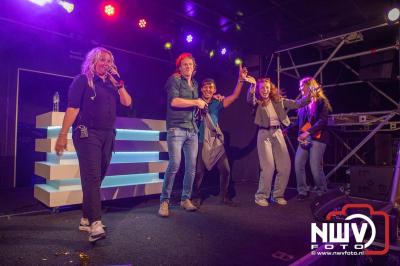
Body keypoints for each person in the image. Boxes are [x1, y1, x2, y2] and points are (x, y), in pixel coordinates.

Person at [55, 47, 132, 242]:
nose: (106, 64)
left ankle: (85, 218)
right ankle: (95, 223)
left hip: (107, 135)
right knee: (92, 177)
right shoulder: (82, 80)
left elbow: (127, 102)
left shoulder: (111, 84)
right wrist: (63, 134)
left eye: (109, 61)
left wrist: (120, 83)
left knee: (97, 177)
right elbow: (72, 108)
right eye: (102, 60)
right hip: (86, 133)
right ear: (93, 61)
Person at [158, 52, 207, 217]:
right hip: (176, 128)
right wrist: (196, 102)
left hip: (192, 130)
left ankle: (185, 199)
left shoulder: (194, 83)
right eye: (184, 64)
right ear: (179, 67)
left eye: (190, 64)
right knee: (175, 164)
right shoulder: (175, 80)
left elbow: (197, 104)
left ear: (194, 68)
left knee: (191, 168)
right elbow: (174, 101)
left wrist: (201, 104)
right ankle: (164, 201)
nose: (188, 67)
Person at [247, 78, 310, 207]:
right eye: (262, 88)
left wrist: (310, 95)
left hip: (278, 133)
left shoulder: (278, 100)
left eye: (267, 87)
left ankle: (277, 195)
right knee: (268, 167)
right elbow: (250, 99)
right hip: (264, 134)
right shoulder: (257, 102)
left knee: (285, 166)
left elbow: (297, 104)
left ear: (271, 88)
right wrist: (252, 87)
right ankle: (261, 196)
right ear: (259, 90)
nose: (265, 90)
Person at [193, 65, 249, 206]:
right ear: (201, 89)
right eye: (205, 87)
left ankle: (224, 197)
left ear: (215, 90)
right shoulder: (195, 102)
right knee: (199, 172)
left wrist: (240, 80)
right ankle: (196, 196)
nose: (208, 89)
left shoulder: (217, 103)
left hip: (216, 142)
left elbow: (235, 96)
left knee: (225, 170)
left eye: (211, 87)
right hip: (200, 141)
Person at [293, 77, 332, 200]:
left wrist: (308, 132)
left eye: (302, 86)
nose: (300, 88)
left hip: (318, 138)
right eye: (300, 86)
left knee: (315, 167)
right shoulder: (303, 104)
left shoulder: (321, 102)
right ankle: (302, 191)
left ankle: (322, 192)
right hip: (305, 138)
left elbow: (322, 121)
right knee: (298, 163)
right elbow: (298, 123)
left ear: (310, 86)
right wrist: (286, 130)